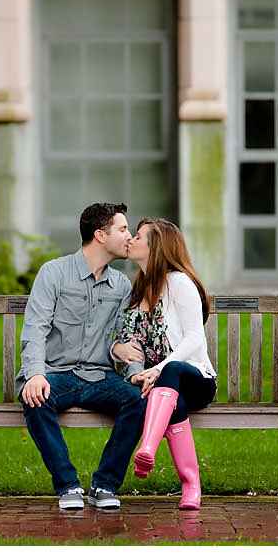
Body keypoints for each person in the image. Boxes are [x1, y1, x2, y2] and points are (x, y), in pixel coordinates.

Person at [18, 202, 145, 509]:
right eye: (123, 229)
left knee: (140, 399)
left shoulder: (121, 285)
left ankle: (104, 485)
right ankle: (67, 486)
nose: (129, 236)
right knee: (34, 397)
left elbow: (125, 340)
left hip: (99, 377)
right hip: (55, 374)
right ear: (100, 235)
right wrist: (35, 374)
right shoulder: (53, 273)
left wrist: (135, 373)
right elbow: (35, 329)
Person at [111, 218, 217, 510]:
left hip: (195, 379)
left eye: (139, 236)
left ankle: (147, 447)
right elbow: (131, 343)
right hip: (163, 389)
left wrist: (159, 368)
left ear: (156, 247)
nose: (130, 240)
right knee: (173, 404)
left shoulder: (180, 283)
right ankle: (191, 488)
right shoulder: (139, 288)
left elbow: (195, 337)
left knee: (171, 371)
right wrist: (135, 371)